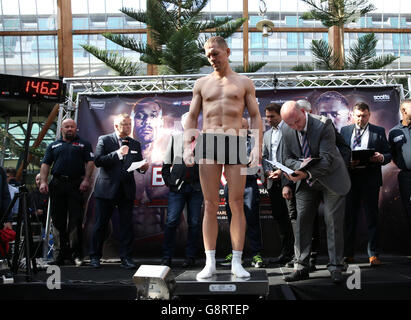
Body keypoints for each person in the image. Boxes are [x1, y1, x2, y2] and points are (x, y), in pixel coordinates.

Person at [183, 36, 263, 280]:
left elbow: (256, 115)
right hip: (208, 142)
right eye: (208, 55)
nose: (212, 58)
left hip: (236, 141)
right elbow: (192, 114)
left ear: (227, 51)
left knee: (236, 203)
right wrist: (187, 144)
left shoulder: (244, 82)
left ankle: (237, 261)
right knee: (209, 204)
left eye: (215, 53)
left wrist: (257, 147)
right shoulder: (201, 83)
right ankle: (209, 262)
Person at [280, 100, 351, 283]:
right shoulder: (286, 128)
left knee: (332, 221)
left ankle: (336, 266)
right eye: (290, 124)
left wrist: (304, 172)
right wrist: (299, 168)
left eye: (297, 121)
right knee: (302, 222)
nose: (294, 127)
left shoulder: (323, 124)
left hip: (331, 177)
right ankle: (301, 266)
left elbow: (326, 160)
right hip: (305, 180)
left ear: (304, 112)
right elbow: (286, 159)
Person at [89, 113, 149, 269]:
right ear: (116, 126)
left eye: (129, 124)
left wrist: (143, 168)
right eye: (125, 124)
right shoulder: (105, 140)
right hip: (106, 189)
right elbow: (98, 161)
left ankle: (126, 258)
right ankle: (95, 256)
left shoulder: (135, 144)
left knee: (126, 226)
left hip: (126, 190)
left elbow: (137, 165)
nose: (128, 127)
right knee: (100, 224)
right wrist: (117, 154)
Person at [341, 102, 392, 266]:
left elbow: (388, 154)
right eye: (358, 115)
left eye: (364, 116)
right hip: (351, 179)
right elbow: (339, 154)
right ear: (352, 115)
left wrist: (381, 158)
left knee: (372, 218)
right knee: (349, 218)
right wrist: (348, 162)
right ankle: (348, 254)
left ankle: (373, 255)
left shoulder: (378, 131)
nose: (360, 119)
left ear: (369, 115)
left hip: (370, 179)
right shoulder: (345, 131)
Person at [40, 118, 94, 267]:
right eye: (67, 127)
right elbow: (45, 164)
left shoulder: (84, 144)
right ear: (62, 129)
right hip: (57, 184)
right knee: (58, 220)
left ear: (76, 129)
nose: (69, 129)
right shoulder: (53, 145)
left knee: (76, 220)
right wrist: (43, 181)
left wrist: (86, 180)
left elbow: (90, 162)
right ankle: (59, 256)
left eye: (72, 126)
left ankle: (76, 255)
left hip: (76, 184)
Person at [161, 113, 203, 268]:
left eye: (193, 123)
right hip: (177, 188)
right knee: (171, 221)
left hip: (197, 188)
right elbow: (165, 165)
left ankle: (191, 256)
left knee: (194, 223)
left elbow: (210, 165)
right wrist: (170, 183)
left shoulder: (204, 139)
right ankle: (166, 257)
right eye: (188, 123)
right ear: (183, 124)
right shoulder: (175, 138)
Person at [223, 118, 264, 268]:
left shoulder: (254, 143)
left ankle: (256, 254)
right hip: (231, 185)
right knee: (232, 221)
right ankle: (235, 254)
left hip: (249, 185)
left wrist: (237, 165)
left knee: (252, 220)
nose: (242, 129)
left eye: (245, 127)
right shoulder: (226, 142)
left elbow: (253, 165)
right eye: (239, 126)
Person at [262, 103, 294, 266]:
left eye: (271, 116)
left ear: (280, 115)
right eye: (267, 116)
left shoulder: (290, 130)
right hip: (272, 181)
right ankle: (286, 253)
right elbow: (265, 156)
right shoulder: (267, 135)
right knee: (280, 218)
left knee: (293, 218)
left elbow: (293, 156)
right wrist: (268, 172)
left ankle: (298, 254)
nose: (268, 119)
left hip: (288, 180)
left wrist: (282, 173)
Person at [389, 100, 411, 237]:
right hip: (406, 177)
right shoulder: (394, 132)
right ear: (404, 111)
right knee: (409, 210)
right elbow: (392, 154)